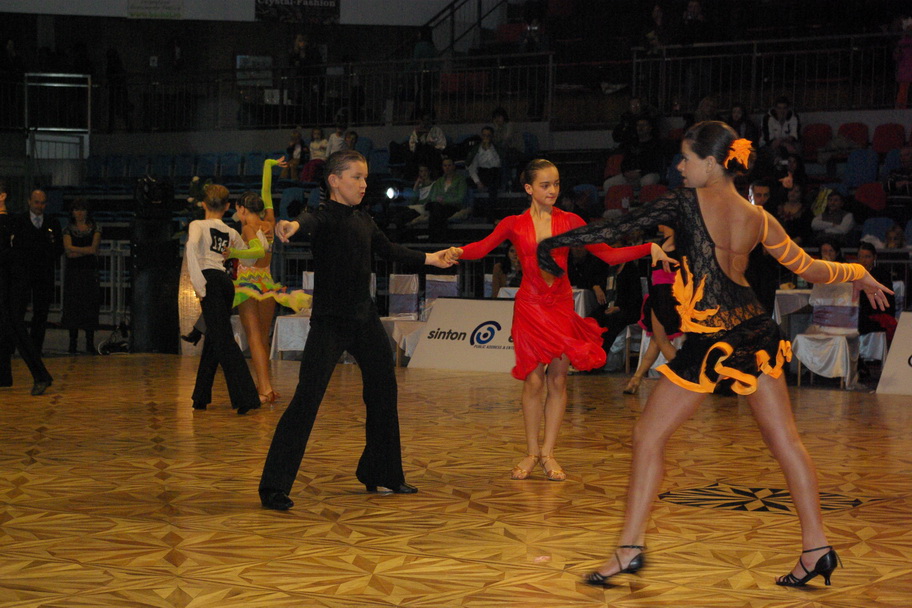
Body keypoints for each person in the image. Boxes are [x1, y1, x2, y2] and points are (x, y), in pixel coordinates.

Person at [537, 121, 892, 588]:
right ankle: (817, 548)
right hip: (756, 332)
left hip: (711, 340)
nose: (679, 167)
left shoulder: (684, 203)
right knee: (787, 443)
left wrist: (553, 243)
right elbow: (808, 267)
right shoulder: (757, 217)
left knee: (648, 435)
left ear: (710, 163)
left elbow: (617, 226)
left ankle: (629, 549)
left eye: (686, 159)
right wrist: (857, 273)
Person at [258, 150, 457, 511]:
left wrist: (432, 258)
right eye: (356, 177)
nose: (364, 184)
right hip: (330, 322)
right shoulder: (323, 216)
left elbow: (389, 249)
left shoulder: (364, 220)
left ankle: (382, 472)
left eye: (365, 177)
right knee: (306, 400)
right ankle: (273, 486)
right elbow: (307, 222)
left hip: (364, 320)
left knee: (384, 391)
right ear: (334, 181)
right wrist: (291, 226)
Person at [450, 159, 672, 482]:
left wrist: (648, 247)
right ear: (529, 188)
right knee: (533, 381)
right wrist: (455, 252)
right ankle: (531, 452)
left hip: (560, 306)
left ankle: (548, 453)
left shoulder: (570, 221)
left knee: (558, 379)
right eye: (545, 185)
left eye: (555, 184)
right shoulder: (513, 223)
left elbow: (607, 254)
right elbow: (481, 248)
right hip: (529, 307)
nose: (552, 190)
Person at [233, 158, 311, 404]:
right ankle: (265, 385)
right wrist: (268, 165)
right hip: (267, 285)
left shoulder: (247, 228)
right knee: (262, 337)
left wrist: (232, 253)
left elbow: (256, 252)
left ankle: (265, 389)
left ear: (242, 209)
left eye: (237, 210)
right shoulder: (269, 221)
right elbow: (267, 191)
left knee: (254, 338)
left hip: (248, 286)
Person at [186, 184, 264, 414]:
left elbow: (191, 248)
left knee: (224, 341)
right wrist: (259, 238)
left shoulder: (197, 225)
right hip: (224, 283)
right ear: (227, 206)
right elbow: (250, 259)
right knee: (214, 339)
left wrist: (199, 285)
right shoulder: (230, 232)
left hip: (210, 282)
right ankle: (200, 397)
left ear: (203, 204)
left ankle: (247, 398)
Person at [0, 179, 53, 396]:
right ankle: (4, 377)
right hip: (8, 279)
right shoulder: (11, 221)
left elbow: (13, 253)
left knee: (14, 327)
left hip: (9, 281)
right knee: (6, 328)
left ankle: (41, 375)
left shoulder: (9, 221)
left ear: (2, 196)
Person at [623, 225, 681, 394]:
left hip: (665, 294)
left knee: (661, 340)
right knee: (656, 340)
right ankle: (636, 379)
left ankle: (687, 376)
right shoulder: (668, 241)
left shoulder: (675, 241)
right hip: (660, 293)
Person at [8, 189, 62, 355]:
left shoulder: (52, 222)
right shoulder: (18, 221)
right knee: (18, 311)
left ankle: (35, 349)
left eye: (43, 203)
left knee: (41, 312)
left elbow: (58, 247)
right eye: (37, 202)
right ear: (29, 202)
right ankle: (12, 347)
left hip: (44, 274)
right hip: (23, 273)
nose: (39, 206)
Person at [61, 199, 101, 355]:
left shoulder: (96, 228)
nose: (79, 213)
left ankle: (90, 343)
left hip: (89, 272)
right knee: (73, 307)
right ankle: (72, 343)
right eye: (76, 209)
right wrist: (87, 250)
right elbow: (68, 251)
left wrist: (76, 250)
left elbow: (93, 249)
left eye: (82, 209)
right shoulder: (67, 229)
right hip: (73, 273)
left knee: (89, 306)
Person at [603, 118, 665, 192]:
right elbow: (625, 161)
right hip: (630, 174)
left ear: (650, 128)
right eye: (638, 125)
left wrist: (640, 173)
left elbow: (656, 164)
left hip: (649, 173)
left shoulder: (656, 144)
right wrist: (626, 173)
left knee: (648, 181)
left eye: (644, 125)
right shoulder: (632, 144)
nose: (640, 128)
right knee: (608, 184)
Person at [465, 126, 502, 222]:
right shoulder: (476, 149)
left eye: (488, 136)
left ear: (492, 137)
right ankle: (470, 212)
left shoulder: (496, 149)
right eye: (484, 135)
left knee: (493, 187)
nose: (486, 138)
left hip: (494, 173)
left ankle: (491, 216)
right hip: (482, 173)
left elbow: (497, 163)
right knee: (468, 182)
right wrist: (478, 182)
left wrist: (488, 150)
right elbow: (472, 168)